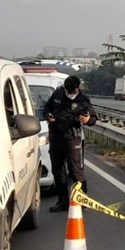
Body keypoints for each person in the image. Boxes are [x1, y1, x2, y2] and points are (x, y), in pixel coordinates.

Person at [44, 75, 97, 212]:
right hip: (56, 137)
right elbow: (47, 108)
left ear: (77, 88)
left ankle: (83, 200)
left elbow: (93, 118)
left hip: (71, 138)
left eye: (71, 90)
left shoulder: (82, 100)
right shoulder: (58, 93)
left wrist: (88, 120)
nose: (68, 93)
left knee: (75, 171)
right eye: (67, 90)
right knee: (58, 170)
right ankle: (62, 201)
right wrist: (47, 116)